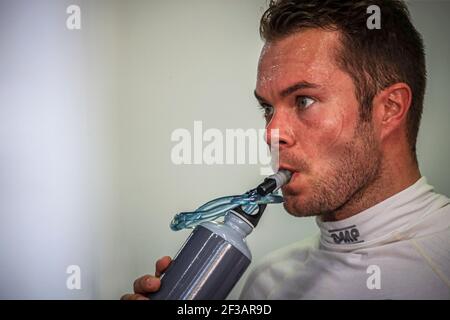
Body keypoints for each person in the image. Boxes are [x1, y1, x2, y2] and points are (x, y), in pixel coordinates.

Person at [121, 0, 450, 300]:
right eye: (267, 108)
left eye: (304, 100)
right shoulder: (267, 281)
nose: (271, 133)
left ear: (389, 109)